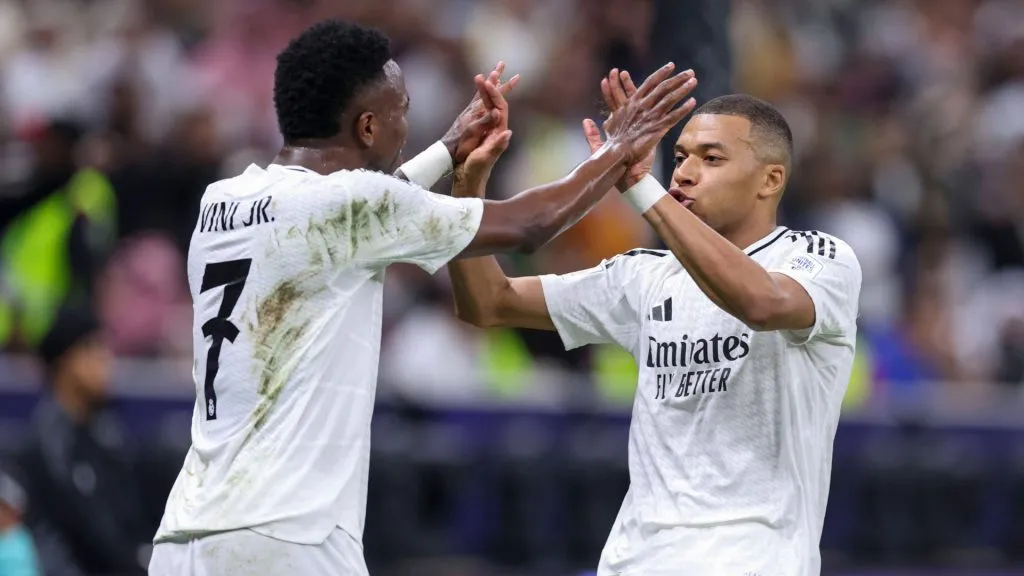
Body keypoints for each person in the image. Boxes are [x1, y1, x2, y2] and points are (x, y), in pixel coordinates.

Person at [148, 20, 698, 576]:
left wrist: (448, 149)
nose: (406, 127)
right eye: (401, 112)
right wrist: (620, 148)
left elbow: (354, 217)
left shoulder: (225, 199)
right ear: (366, 126)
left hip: (185, 535)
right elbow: (529, 225)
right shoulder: (347, 208)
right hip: (287, 535)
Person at [449, 70, 863, 576]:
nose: (684, 172)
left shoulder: (819, 258)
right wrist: (467, 186)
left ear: (771, 180)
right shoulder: (644, 276)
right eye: (682, 155)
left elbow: (761, 302)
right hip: (633, 560)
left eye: (711, 158)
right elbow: (490, 302)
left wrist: (641, 187)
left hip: (752, 559)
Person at [19, 307, 151, 575]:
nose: (107, 360)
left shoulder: (108, 434)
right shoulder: (48, 446)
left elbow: (129, 523)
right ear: (66, 360)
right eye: (95, 348)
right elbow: (69, 540)